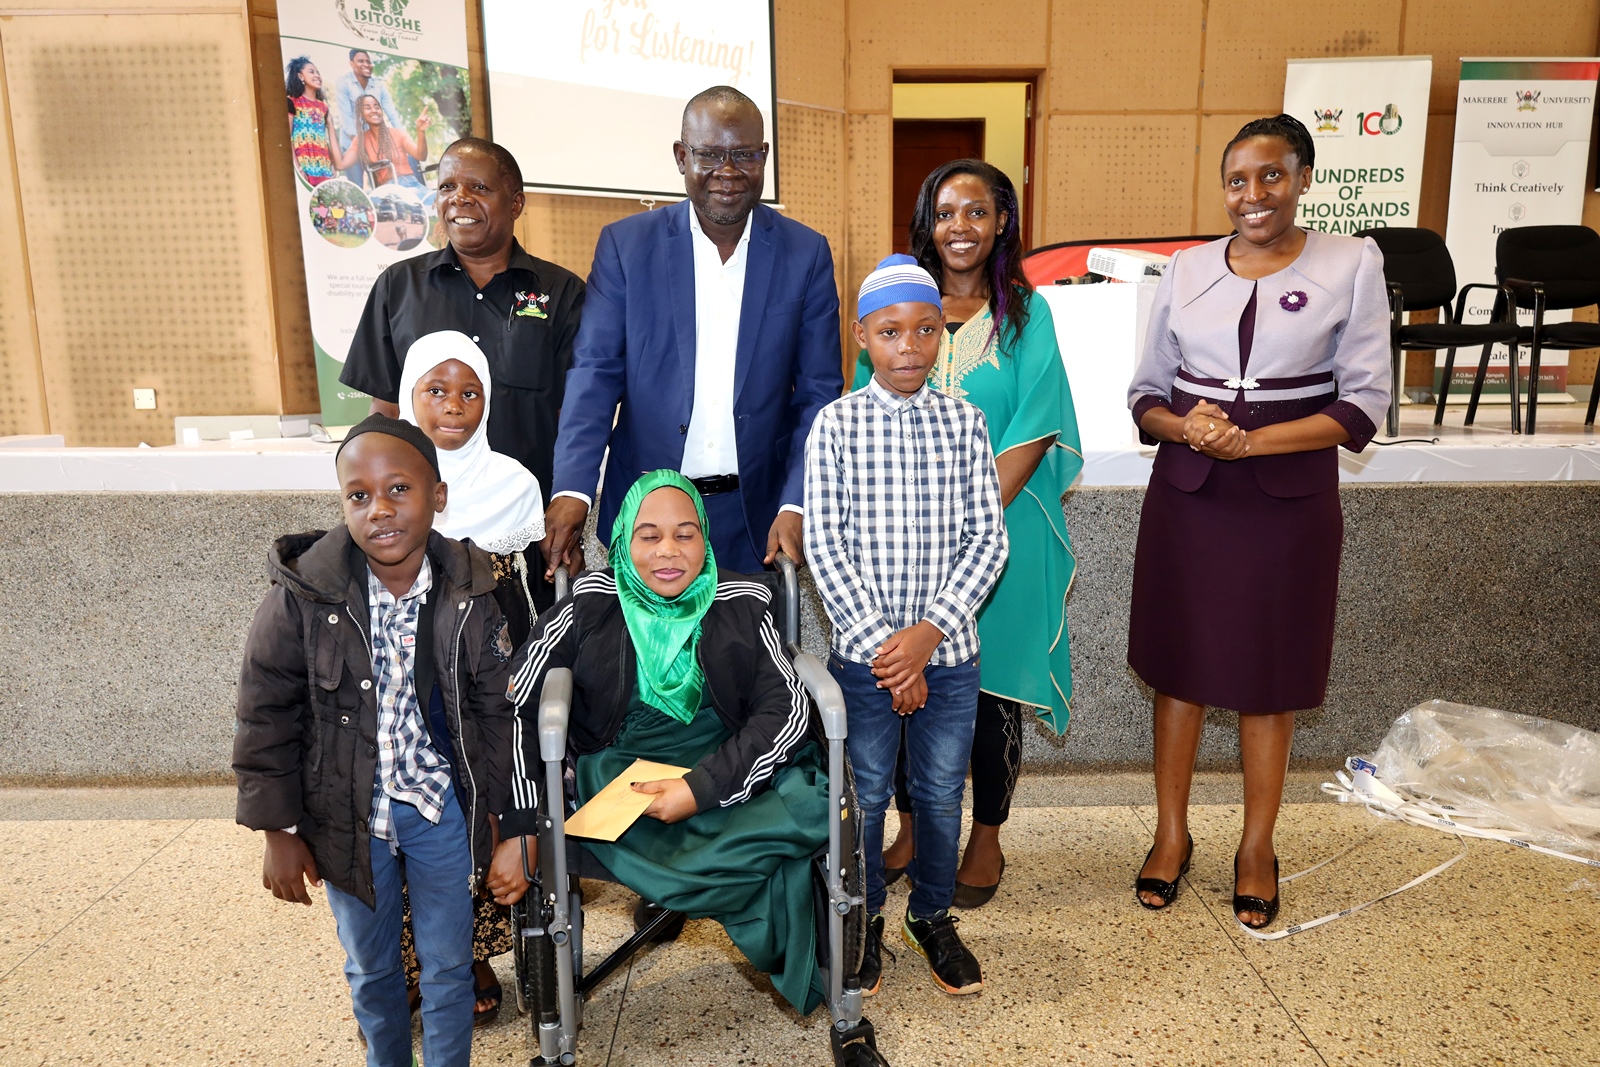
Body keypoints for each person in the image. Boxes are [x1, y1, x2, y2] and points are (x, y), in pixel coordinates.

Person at [1126, 114, 1389, 928]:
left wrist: (1257, 441)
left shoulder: (1352, 261)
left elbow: (1364, 402)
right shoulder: (1188, 267)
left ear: (1305, 177)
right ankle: (1171, 836)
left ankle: (1256, 846)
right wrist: (1189, 427)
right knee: (1181, 669)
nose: (1253, 195)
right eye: (1238, 180)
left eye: (1271, 176)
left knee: (1270, 675)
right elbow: (1146, 395)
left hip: (1288, 501)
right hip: (1192, 493)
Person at [487, 470, 829, 1014]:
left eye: (685, 533)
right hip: (624, 772)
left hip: (727, 760)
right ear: (622, 540)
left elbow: (783, 708)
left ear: (705, 538)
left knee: (816, 803)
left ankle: (713, 870)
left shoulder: (742, 600)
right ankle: (733, 884)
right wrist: (524, 827)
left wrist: (701, 788)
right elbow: (520, 702)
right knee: (781, 847)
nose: (668, 550)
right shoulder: (589, 603)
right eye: (648, 535)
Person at [233, 413, 515, 1066]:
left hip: (438, 807)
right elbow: (265, 716)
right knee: (372, 965)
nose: (379, 509)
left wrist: (499, 814)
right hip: (344, 815)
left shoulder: (471, 590)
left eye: (399, 490)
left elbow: (497, 712)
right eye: (359, 495)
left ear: (437, 495)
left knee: (448, 963)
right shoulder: (300, 597)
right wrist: (277, 829)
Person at [857, 161, 1081, 909]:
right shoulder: (902, 303)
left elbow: (1034, 423)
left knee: (988, 695)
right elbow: (864, 411)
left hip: (1001, 535)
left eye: (977, 212)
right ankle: (918, 828)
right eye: (946, 212)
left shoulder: (1027, 313)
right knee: (904, 683)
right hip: (904, 541)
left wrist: (969, 512)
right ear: (928, 222)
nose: (961, 227)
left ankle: (985, 836)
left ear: (1002, 223)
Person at [805, 255, 1008, 997]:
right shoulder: (836, 426)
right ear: (863, 337)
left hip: (950, 656)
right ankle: (861, 920)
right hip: (863, 663)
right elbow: (826, 546)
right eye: (891, 332)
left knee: (939, 791)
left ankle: (931, 915)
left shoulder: (965, 423)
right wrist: (891, 655)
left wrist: (928, 637)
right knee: (860, 794)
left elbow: (988, 540)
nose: (909, 347)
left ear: (941, 337)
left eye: (926, 330)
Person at [543, 85, 841, 577]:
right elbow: (595, 374)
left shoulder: (805, 254)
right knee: (642, 656)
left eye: (744, 154)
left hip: (757, 520)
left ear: (764, 158)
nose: (728, 171)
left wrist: (797, 502)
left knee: (746, 655)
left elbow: (816, 394)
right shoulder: (626, 247)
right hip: (646, 516)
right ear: (682, 157)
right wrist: (572, 489)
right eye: (709, 154)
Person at [340, 137, 584, 612]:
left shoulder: (561, 293)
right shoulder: (398, 287)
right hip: (418, 536)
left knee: (518, 659)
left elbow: (576, 417)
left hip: (522, 532)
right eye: (448, 185)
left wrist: (564, 515)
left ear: (515, 203)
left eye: (478, 186)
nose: (460, 198)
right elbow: (382, 415)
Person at [392, 330, 547, 1025]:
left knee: (479, 796)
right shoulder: (386, 475)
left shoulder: (514, 483)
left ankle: (473, 952)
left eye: (470, 391)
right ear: (408, 395)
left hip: (488, 667)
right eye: (436, 389)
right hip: (411, 676)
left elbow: (526, 597)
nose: (454, 405)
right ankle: (416, 957)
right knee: (411, 801)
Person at [335, 93, 432, 201]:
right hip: (388, 191)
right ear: (361, 114)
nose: (374, 110)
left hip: (412, 184)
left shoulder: (398, 133)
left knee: (439, 201)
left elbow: (421, 156)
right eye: (367, 108)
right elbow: (341, 164)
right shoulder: (361, 140)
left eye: (377, 107)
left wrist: (420, 131)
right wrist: (330, 126)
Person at [333, 49, 402, 183]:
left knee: (383, 186)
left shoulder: (379, 85)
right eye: (361, 61)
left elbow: (392, 114)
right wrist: (362, 146)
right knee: (357, 186)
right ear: (351, 63)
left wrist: (403, 140)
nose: (366, 64)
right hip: (351, 144)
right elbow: (346, 119)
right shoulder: (343, 82)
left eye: (368, 61)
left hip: (375, 145)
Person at [285, 57, 335, 187]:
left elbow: (322, 138)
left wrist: (333, 164)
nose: (317, 75)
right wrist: (298, 168)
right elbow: (287, 137)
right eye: (312, 72)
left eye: (318, 72)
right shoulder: (292, 102)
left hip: (325, 169)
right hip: (304, 168)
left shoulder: (323, 107)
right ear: (300, 76)